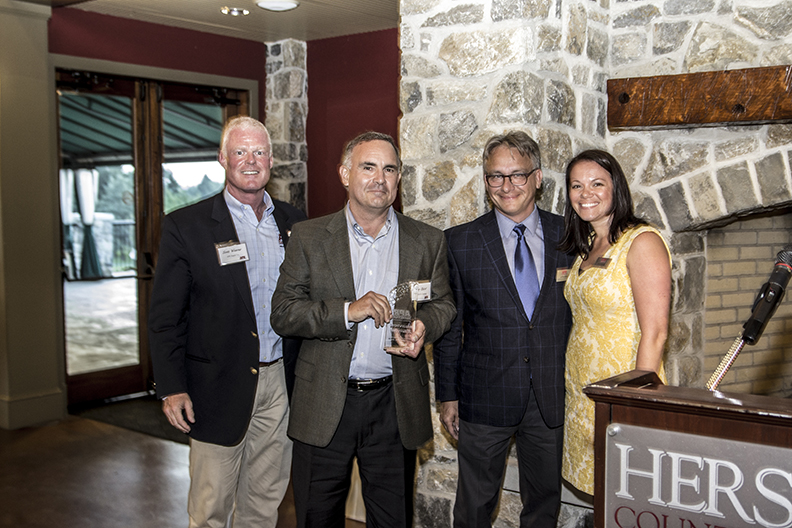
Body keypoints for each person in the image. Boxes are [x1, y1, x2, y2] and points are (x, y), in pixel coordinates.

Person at [270, 131, 456, 528]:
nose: (379, 178)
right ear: (344, 173)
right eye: (368, 167)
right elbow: (283, 313)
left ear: (399, 177)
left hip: (394, 405)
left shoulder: (427, 241)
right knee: (317, 517)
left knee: (393, 520)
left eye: (389, 169)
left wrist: (426, 325)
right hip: (324, 404)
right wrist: (346, 311)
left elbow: (444, 305)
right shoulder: (308, 237)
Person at [148, 115, 306, 528]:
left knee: (264, 504)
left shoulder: (295, 224)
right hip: (216, 387)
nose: (250, 161)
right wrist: (172, 387)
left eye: (258, 152)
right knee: (211, 508)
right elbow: (165, 317)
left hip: (281, 387)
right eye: (240, 151)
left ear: (271, 159)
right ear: (223, 158)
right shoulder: (187, 226)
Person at [433, 131, 574, 528]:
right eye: (496, 176)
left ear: (538, 178)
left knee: (544, 504)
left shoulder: (571, 235)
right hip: (484, 398)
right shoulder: (459, 242)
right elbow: (450, 327)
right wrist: (447, 395)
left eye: (517, 175)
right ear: (485, 181)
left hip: (550, 396)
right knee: (474, 507)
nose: (506, 186)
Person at [559, 149, 671, 497]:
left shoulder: (642, 241)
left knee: (629, 496)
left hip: (623, 390)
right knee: (602, 498)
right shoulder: (587, 246)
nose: (585, 193)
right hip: (583, 391)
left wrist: (633, 404)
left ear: (616, 188)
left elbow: (656, 333)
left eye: (597, 183)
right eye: (576, 186)